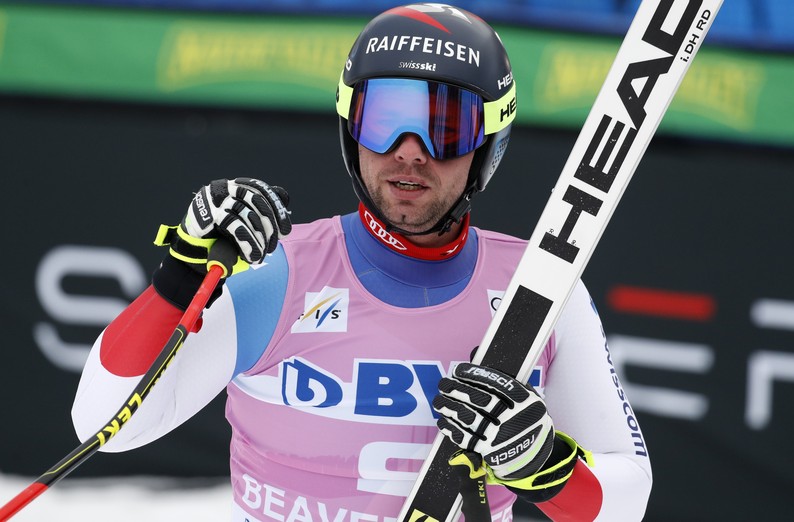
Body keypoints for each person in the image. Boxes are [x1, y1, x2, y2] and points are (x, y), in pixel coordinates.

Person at [71, 3, 652, 521]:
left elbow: (628, 498)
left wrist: (544, 463)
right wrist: (182, 276)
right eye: (384, 119)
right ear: (352, 131)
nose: (409, 149)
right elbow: (102, 426)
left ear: (487, 144)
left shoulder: (543, 291)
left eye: (445, 128)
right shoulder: (278, 276)